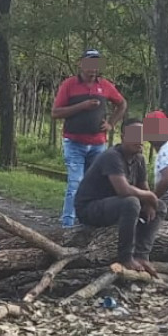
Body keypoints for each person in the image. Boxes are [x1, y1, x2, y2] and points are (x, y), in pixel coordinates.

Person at [73, 119, 163, 275]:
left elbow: (143, 186)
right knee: (131, 202)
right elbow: (123, 190)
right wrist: (149, 196)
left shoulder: (139, 159)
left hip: (114, 205)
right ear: (123, 137)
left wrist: (150, 202)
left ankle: (142, 255)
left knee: (160, 206)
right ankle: (125, 257)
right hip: (90, 208)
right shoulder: (112, 156)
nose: (140, 140)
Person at [52, 50, 128, 227]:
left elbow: (122, 103)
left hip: (97, 144)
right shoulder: (69, 84)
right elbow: (55, 113)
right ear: (81, 64)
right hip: (74, 143)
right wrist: (82, 106)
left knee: (95, 186)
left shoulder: (105, 86)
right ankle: (68, 224)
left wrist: (111, 124)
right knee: (75, 183)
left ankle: (89, 223)